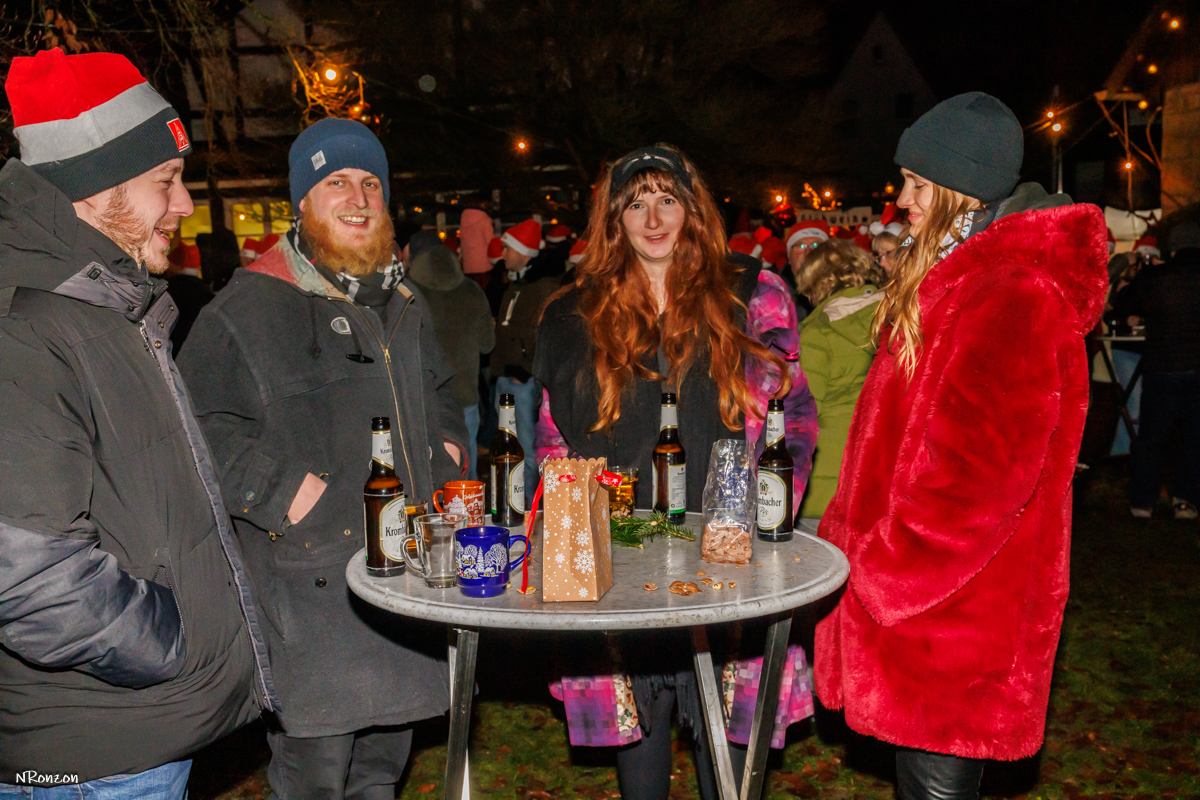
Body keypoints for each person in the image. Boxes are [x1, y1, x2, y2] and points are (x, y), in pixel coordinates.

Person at [814, 92, 1108, 800]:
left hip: (955, 619)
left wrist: (879, 572)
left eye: (918, 183)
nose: (901, 200)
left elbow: (976, 482)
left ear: (963, 192)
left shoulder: (1011, 294)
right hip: (929, 613)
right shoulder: (956, 281)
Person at [0, 48, 276, 794]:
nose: (183, 204)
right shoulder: (25, 326)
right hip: (92, 759)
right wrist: (173, 645)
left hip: (132, 735)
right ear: (96, 187)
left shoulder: (104, 304)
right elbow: (27, 576)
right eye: (165, 180)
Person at [179, 118, 466, 800]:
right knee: (317, 780)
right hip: (311, 594)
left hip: (402, 582)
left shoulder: (404, 301)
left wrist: (449, 455)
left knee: (381, 773)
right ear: (303, 202)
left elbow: (445, 394)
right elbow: (197, 428)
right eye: (336, 181)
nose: (358, 198)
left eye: (371, 183)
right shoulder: (247, 307)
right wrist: (288, 493)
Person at [534, 144, 819, 800]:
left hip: (729, 561)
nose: (654, 219)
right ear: (614, 220)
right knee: (639, 734)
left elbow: (794, 421)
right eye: (636, 205)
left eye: (667, 200)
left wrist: (764, 517)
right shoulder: (573, 312)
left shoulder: (752, 291)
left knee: (730, 754)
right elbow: (554, 441)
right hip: (622, 562)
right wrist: (575, 545)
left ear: (693, 209)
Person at [1114, 220, 1200, 519]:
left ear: (1172, 248)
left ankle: (1143, 502)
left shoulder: (1155, 276)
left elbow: (1122, 305)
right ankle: (1185, 501)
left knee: (1151, 437)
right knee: (1194, 438)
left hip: (1161, 366)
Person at [793, 239, 884, 519]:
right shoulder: (896, 315)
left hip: (827, 480)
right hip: (879, 471)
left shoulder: (819, 333)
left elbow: (802, 416)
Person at [409, 242, 496, 479]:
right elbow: (487, 344)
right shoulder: (472, 292)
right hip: (465, 396)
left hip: (422, 399)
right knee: (467, 469)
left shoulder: (408, 296)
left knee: (424, 474)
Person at [492, 218, 559, 502]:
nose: (503, 254)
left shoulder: (542, 287)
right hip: (506, 377)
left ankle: (532, 507)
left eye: (508, 248)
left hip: (524, 381)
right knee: (510, 448)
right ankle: (514, 501)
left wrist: (526, 368)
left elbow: (545, 333)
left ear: (522, 252)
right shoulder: (515, 283)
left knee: (528, 450)